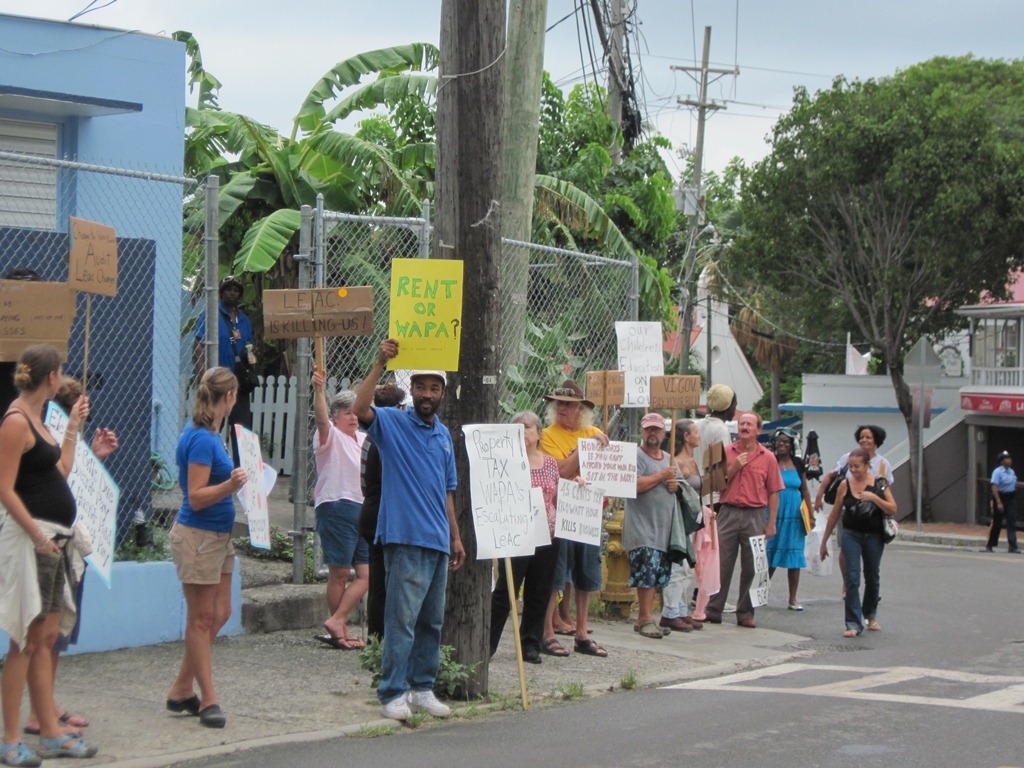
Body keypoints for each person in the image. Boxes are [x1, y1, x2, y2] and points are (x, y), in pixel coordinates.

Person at [353, 339, 465, 722]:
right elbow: (358, 408)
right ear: (412, 389)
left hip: (437, 540)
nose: (427, 394)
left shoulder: (444, 436)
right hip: (402, 538)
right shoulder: (393, 424)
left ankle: (421, 688)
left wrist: (455, 536)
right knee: (400, 620)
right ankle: (393, 692)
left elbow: (446, 490)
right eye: (421, 387)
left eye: (434, 388)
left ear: (442, 394)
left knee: (431, 621)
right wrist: (380, 361)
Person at [0, 344, 99, 763]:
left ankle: (49, 732)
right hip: (32, 541)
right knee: (24, 639)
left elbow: (58, 471)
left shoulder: (39, 421)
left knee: (45, 638)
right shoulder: (15, 422)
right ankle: (8, 739)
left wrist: (73, 427)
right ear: (52, 376)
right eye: (61, 371)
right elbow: (3, 488)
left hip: (55, 539)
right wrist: (37, 534)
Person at [23, 377, 119, 739]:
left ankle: (48, 705)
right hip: (55, 542)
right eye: (82, 406)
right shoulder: (48, 437)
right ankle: (38, 711)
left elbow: (74, 477)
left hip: (73, 543)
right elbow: (57, 478)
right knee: (48, 631)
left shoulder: (66, 440)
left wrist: (94, 453)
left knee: (60, 631)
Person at [166, 367, 249, 729]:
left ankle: (182, 688)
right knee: (201, 619)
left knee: (221, 613)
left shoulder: (213, 434)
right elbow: (196, 497)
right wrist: (230, 487)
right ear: (228, 397)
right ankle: (208, 699)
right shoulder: (201, 438)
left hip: (218, 537)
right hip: (198, 536)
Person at [539, 379, 610, 659]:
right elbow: (559, 471)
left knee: (586, 573)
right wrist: (583, 450)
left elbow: (607, 473)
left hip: (587, 512)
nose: (562, 409)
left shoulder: (595, 432)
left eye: (568, 404)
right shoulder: (548, 435)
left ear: (580, 408)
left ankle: (582, 633)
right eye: (559, 404)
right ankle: (547, 633)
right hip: (560, 511)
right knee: (555, 574)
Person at [489, 411, 563, 663]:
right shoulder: (504, 462)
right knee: (506, 590)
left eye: (528, 427)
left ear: (539, 433)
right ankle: (487, 643)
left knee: (539, 591)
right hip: (516, 533)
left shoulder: (551, 463)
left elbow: (556, 496)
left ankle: (530, 643)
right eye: (517, 427)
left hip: (547, 535)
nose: (523, 430)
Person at [704, 411, 783, 629]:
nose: (745, 427)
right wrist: (734, 467)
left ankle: (746, 612)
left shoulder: (768, 457)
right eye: (742, 424)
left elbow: (774, 491)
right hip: (728, 511)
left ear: (758, 430)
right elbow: (714, 485)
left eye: (749, 424)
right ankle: (713, 608)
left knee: (754, 566)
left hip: (755, 514)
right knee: (721, 562)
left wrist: (771, 522)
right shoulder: (725, 452)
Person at [311, 372, 369, 649]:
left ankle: (338, 620)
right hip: (336, 504)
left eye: (356, 412)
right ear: (336, 416)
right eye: (347, 413)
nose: (353, 418)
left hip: (362, 507)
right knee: (340, 572)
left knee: (367, 574)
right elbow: (321, 420)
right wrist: (319, 392)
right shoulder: (329, 436)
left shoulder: (364, 438)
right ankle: (340, 630)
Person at [819, 447, 897, 637]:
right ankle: (853, 623)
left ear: (867, 465)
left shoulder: (880, 483)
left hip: (874, 535)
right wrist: (824, 541)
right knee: (852, 578)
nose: (853, 470)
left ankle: (870, 614)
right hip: (851, 533)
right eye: (851, 466)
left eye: (857, 466)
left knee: (872, 576)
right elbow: (835, 513)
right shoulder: (845, 485)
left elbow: (893, 508)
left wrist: (874, 498)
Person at [812, 425, 894, 597]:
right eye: (862, 437)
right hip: (847, 511)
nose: (864, 440)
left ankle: (870, 593)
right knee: (846, 548)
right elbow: (830, 475)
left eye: (868, 438)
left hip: (873, 517)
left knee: (871, 564)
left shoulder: (883, 465)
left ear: (876, 441)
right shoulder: (847, 458)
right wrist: (819, 495)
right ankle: (848, 582)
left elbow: (887, 493)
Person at [625, 413, 682, 639]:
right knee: (646, 572)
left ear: (664, 433)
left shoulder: (669, 459)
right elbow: (633, 485)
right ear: (642, 431)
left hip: (663, 528)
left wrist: (675, 485)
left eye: (656, 430)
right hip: (642, 527)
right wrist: (661, 476)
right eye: (649, 429)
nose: (652, 433)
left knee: (658, 574)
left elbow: (678, 486)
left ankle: (648, 619)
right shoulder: (636, 456)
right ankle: (645, 618)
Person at [358, 383, 407, 641]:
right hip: (381, 513)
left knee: (379, 583)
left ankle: (376, 638)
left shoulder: (370, 436)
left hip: (371, 509)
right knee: (384, 585)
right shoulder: (385, 438)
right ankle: (379, 639)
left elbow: (365, 483)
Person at [193, 275, 255, 466]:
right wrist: (205, 374)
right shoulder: (211, 315)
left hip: (239, 383)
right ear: (221, 292)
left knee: (241, 428)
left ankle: (240, 469)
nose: (232, 293)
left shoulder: (244, 320)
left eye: (236, 290)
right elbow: (198, 344)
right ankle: (211, 466)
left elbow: (250, 345)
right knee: (214, 425)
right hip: (218, 382)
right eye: (228, 289)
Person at [694, 384, 735, 614]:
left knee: (700, 548)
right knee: (711, 550)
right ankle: (706, 595)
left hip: (698, 491)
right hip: (713, 495)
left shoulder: (699, 424)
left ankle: (700, 594)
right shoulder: (720, 430)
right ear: (728, 407)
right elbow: (721, 464)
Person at [766, 428, 813, 610]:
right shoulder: (771, 462)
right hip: (774, 511)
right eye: (779, 441)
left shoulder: (799, 463)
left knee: (794, 554)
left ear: (791, 444)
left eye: (786, 441)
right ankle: (761, 592)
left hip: (795, 513)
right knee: (771, 552)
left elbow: (805, 490)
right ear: (774, 444)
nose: (782, 444)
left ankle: (793, 598)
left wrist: (810, 513)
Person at [666, 418, 706, 629]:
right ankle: (670, 610)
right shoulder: (677, 462)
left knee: (688, 567)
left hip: (693, 518)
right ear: (686, 437)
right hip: (679, 519)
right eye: (695, 432)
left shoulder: (693, 461)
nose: (699, 435)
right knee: (678, 566)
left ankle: (681, 609)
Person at [985, 450, 1021, 553]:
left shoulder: (1011, 471)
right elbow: (994, 486)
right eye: (1006, 458)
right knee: (996, 522)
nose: (1009, 460)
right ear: (1002, 461)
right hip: (1000, 497)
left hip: (1011, 498)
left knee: (1011, 522)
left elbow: (1013, 484)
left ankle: (1013, 546)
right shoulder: (997, 472)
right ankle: (990, 545)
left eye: (1009, 458)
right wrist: (999, 502)